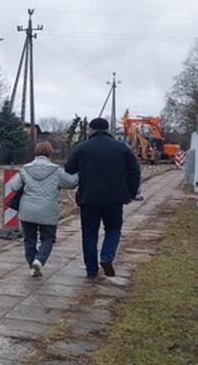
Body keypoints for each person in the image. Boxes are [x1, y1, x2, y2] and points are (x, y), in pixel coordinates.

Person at [65, 117, 141, 279]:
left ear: (91, 130)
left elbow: (69, 168)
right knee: (113, 229)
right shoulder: (122, 148)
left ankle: (91, 270)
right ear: (108, 130)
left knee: (89, 234)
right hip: (115, 199)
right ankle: (106, 257)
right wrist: (130, 194)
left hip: (88, 198)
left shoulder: (82, 148)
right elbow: (135, 171)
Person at [10, 141, 78, 277]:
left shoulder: (25, 168)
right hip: (48, 210)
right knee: (48, 238)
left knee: (29, 239)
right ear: (50, 153)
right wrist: (79, 173)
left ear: (35, 152)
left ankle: (32, 265)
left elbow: (14, 186)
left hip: (27, 210)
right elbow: (71, 183)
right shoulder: (56, 170)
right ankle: (39, 260)